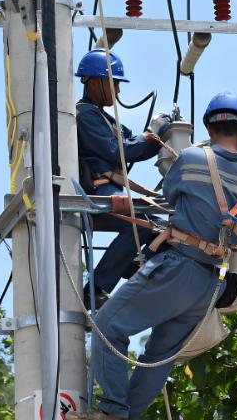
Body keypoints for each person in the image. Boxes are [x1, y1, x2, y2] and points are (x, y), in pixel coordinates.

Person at [76, 92, 237, 420]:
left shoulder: (194, 159)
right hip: (210, 284)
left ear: (210, 128)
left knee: (107, 326)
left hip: (178, 265)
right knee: (160, 356)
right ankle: (122, 416)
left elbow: (170, 193)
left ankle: (113, 411)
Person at [75, 49, 169, 308]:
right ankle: (95, 288)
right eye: (113, 83)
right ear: (94, 82)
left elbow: (133, 146)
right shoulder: (84, 116)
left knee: (164, 228)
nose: (118, 91)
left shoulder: (104, 119)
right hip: (97, 191)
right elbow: (121, 150)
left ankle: (135, 263)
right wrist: (154, 133)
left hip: (112, 189)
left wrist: (159, 133)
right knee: (140, 223)